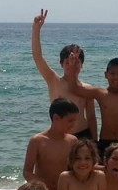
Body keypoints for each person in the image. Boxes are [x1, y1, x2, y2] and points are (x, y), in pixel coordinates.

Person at [31, 8, 97, 140]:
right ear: (61, 64)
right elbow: (38, 57)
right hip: (61, 137)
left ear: (82, 65)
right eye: (68, 62)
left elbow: (91, 117)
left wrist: (96, 142)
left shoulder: (87, 88)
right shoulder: (54, 81)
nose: (72, 64)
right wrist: (36, 29)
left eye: (77, 62)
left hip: (83, 135)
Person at [23, 98, 80, 190]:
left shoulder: (73, 141)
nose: (73, 124)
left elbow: (80, 166)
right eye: (70, 121)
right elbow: (27, 172)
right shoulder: (37, 141)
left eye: (75, 121)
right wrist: (43, 187)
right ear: (56, 118)